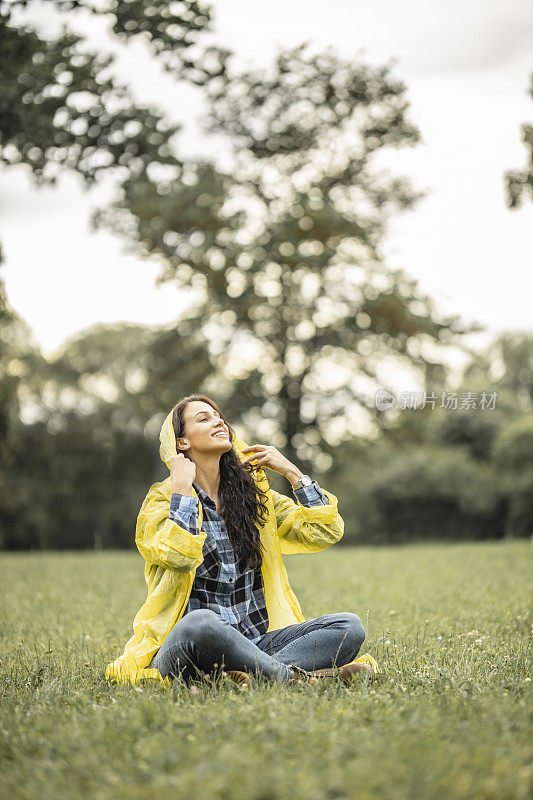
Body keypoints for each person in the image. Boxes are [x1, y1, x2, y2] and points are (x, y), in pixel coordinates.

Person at [105, 394, 380, 690]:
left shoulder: (252, 496)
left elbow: (325, 530)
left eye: (218, 416)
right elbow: (177, 556)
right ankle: (295, 678)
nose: (218, 421)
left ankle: (246, 676)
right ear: (181, 442)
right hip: (190, 646)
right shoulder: (161, 501)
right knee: (201, 622)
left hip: (255, 643)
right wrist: (182, 490)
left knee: (348, 627)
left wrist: (292, 472)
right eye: (203, 418)